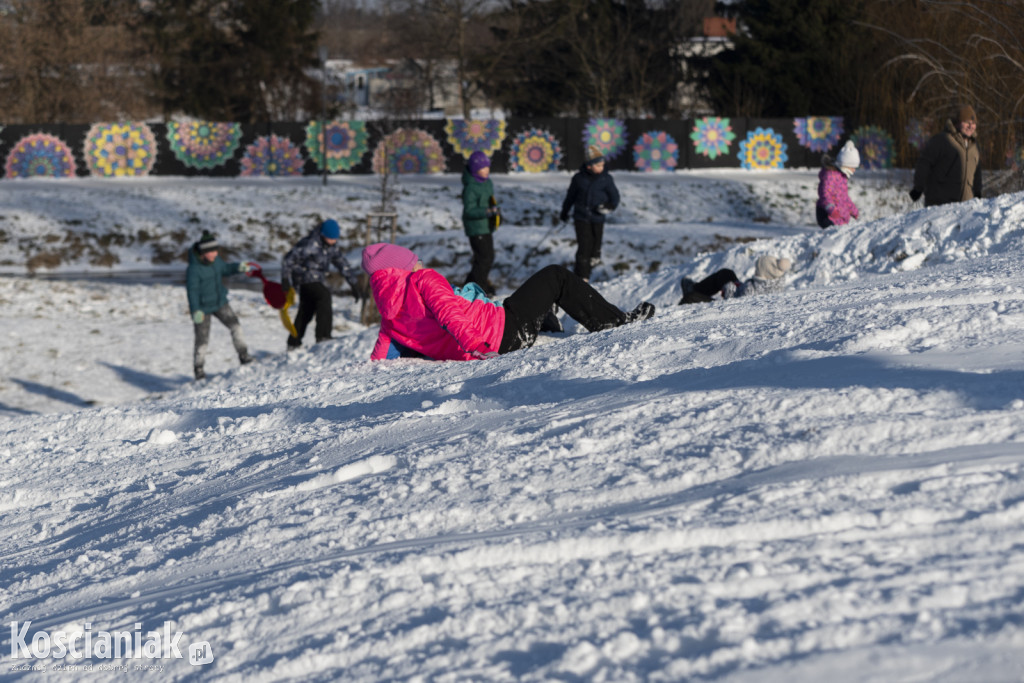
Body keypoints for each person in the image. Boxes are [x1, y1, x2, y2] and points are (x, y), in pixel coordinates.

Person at [361, 242, 655, 361]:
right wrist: (478, 346)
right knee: (555, 276)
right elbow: (450, 314)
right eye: (415, 261)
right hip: (500, 334)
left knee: (528, 301)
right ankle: (613, 322)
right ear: (404, 267)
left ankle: (551, 325)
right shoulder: (424, 280)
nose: (420, 263)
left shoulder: (390, 314)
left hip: (493, 330)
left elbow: (382, 355)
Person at [185, 231, 257, 380]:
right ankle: (199, 371)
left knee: (236, 327)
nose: (215, 254)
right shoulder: (193, 269)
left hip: (220, 303)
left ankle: (244, 356)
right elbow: (192, 291)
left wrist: (239, 267)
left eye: (215, 250)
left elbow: (225, 269)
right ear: (203, 252)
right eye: (211, 252)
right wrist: (195, 310)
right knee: (202, 340)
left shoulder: (216, 261)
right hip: (202, 309)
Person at [281, 218, 359, 350]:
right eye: (331, 238)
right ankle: (323, 336)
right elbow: (288, 260)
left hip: (316, 279)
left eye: (336, 238)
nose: (334, 241)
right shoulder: (310, 244)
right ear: (323, 235)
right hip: (303, 279)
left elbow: (342, 263)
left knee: (306, 311)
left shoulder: (330, 247)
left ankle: (293, 342)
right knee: (324, 296)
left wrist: (353, 283)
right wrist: (285, 280)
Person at [560, 144, 620, 281]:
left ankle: (595, 258)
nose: (601, 168)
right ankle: (582, 276)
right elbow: (570, 197)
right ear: (589, 166)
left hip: (598, 217)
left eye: (603, 165)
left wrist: (609, 206)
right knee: (584, 246)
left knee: (596, 243)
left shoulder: (606, 179)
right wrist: (565, 211)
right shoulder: (578, 179)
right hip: (581, 217)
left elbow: (615, 197)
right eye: (598, 165)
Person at [910, 104, 983, 207]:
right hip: (940, 205)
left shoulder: (974, 146)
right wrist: (918, 188)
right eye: (967, 122)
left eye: (973, 123)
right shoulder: (942, 140)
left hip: (966, 207)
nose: (971, 126)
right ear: (957, 123)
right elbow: (924, 163)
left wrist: (978, 193)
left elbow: (977, 172)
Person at [462, 150, 500, 296]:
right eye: (483, 168)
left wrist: (495, 214)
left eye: (488, 167)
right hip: (476, 228)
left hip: (486, 226)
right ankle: (479, 287)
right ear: (475, 169)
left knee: (489, 257)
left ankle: (472, 285)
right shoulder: (470, 188)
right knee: (483, 259)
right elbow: (469, 211)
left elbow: (490, 201)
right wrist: (486, 212)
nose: (487, 170)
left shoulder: (487, 183)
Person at [816, 140, 860, 228]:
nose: (854, 170)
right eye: (852, 167)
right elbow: (825, 193)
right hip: (828, 214)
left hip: (840, 217)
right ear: (845, 165)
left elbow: (844, 197)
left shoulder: (842, 177)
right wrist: (830, 208)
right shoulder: (830, 175)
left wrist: (853, 210)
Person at [723, 255, 792, 298]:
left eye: (757, 269)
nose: (755, 271)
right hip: (741, 287)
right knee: (727, 273)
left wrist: (729, 288)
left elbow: (733, 304)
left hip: (735, 291)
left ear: (764, 272)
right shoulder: (777, 285)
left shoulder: (750, 289)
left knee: (724, 274)